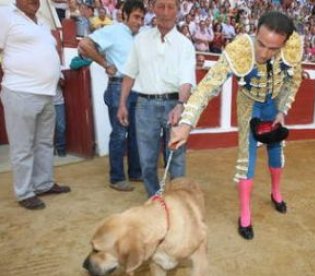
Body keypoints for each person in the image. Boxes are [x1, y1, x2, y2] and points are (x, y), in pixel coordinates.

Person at [169, 11, 303, 240]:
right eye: (261, 44)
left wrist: (282, 111)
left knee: (276, 151)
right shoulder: (239, 49)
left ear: (284, 44)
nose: (264, 53)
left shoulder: (292, 47)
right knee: (246, 156)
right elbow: (206, 87)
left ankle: (276, 193)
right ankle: (245, 214)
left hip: (274, 105)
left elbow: (293, 80)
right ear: (255, 32)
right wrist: (186, 124)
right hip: (250, 105)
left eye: (273, 49)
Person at [117, 0, 196, 197]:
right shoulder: (140, 40)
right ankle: (154, 199)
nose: (166, 12)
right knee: (147, 159)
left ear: (177, 11)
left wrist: (180, 104)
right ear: (153, 9)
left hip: (174, 105)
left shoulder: (185, 44)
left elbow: (186, 80)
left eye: (171, 7)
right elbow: (129, 74)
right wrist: (122, 104)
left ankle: (178, 201)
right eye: (161, 6)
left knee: (176, 158)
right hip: (145, 105)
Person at [0, 0, 71, 210]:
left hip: (47, 93)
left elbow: (49, 53)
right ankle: (24, 192)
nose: (34, 1)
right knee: (23, 147)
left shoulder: (41, 23)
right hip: (20, 91)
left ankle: (44, 183)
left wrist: (55, 73)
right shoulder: (6, 15)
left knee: (44, 143)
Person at [78, 0, 145, 192]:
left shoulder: (138, 37)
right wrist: (105, 64)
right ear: (124, 15)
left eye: (141, 17)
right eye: (136, 17)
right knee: (119, 133)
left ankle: (135, 172)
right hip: (117, 88)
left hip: (136, 89)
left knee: (133, 134)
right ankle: (116, 177)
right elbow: (84, 44)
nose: (139, 22)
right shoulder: (113, 31)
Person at [54, 74, 67, 157]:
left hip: (58, 102)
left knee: (61, 127)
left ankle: (61, 149)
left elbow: (63, 84)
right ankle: (49, 149)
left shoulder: (58, 70)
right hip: (44, 102)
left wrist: (55, 77)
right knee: (46, 128)